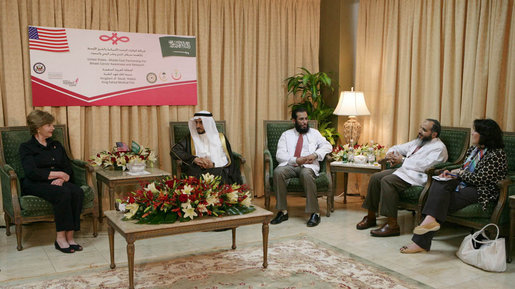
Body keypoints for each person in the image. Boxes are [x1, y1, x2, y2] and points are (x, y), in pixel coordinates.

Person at [400, 119, 507, 253]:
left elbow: (481, 179)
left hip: (481, 190)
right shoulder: (473, 149)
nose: (472, 133)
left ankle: (423, 234)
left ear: (485, 135)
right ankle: (429, 223)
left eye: (475, 131)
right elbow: (464, 168)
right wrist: (451, 173)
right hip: (465, 182)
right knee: (439, 181)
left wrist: (459, 174)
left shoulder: (496, 154)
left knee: (440, 200)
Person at [356, 119, 448, 237]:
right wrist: (391, 153)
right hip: (404, 171)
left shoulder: (439, 148)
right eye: (420, 128)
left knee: (387, 181)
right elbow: (398, 148)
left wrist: (402, 160)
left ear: (434, 134)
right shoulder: (419, 142)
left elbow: (425, 166)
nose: (420, 131)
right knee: (375, 178)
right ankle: (371, 216)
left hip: (418, 176)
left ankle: (392, 225)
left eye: (424, 130)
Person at [19, 110, 84, 253]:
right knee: (63, 193)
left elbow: (68, 167)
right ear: (38, 127)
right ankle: (60, 238)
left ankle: (70, 236)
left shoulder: (56, 145)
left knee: (77, 192)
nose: (53, 128)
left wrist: (62, 178)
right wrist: (59, 174)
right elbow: (32, 172)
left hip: (57, 182)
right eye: (49, 125)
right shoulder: (26, 147)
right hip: (34, 183)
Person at [270, 107, 332, 227]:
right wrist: (296, 160)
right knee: (278, 172)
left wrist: (315, 155)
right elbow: (280, 155)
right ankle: (282, 212)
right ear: (294, 121)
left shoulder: (314, 133)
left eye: (306, 119)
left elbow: (328, 146)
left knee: (306, 174)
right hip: (291, 165)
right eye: (301, 119)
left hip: (308, 166)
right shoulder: (286, 135)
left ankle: (315, 213)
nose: (304, 122)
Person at [171, 111, 242, 185]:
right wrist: (194, 159)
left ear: (208, 123)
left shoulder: (221, 138)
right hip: (198, 170)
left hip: (218, 169)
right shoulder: (191, 138)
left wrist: (213, 165)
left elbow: (228, 158)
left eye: (201, 122)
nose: (197, 126)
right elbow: (174, 151)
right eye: (196, 122)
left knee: (222, 173)